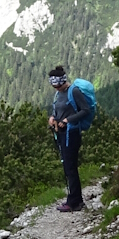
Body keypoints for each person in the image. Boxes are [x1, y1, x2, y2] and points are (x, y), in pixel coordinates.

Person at [46, 65, 96, 212]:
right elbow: (58, 110)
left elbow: (85, 110)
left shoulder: (73, 91)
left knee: (70, 168)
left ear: (63, 82)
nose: (56, 88)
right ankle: (76, 200)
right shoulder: (59, 94)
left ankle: (73, 201)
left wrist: (68, 120)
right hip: (61, 133)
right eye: (54, 85)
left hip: (71, 134)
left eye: (58, 85)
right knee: (68, 167)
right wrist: (53, 118)